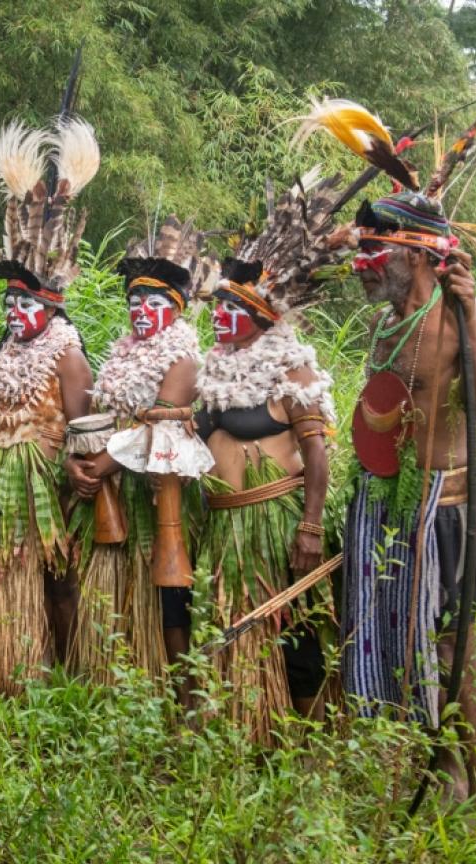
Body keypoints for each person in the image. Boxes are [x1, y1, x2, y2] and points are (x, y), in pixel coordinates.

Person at [340, 190, 476, 800]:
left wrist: (466, 327)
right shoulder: (385, 321)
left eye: (375, 253)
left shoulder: (467, 312)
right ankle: (438, 771)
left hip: (447, 508)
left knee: (450, 647)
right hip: (389, 504)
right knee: (407, 645)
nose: (364, 266)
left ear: (416, 254)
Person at [0, 116, 99, 696]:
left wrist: (74, 479)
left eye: (24, 303)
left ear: (50, 308)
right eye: (8, 301)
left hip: (50, 480)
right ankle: (11, 665)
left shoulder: (68, 352)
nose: (13, 312)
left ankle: (68, 666)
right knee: (6, 575)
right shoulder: (7, 346)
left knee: (59, 579)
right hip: (2, 478)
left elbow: (84, 424)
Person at [191, 174, 344, 745]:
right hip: (226, 524)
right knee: (233, 623)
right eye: (217, 307)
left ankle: (306, 735)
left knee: (294, 627)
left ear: (263, 316)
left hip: (277, 522)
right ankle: (248, 726)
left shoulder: (290, 369)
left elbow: (316, 451)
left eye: (230, 308)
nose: (217, 317)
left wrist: (310, 526)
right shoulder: (213, 368)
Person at [64, 219, 215, 694]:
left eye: (154, 304)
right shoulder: (121, 354)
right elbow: (93, 416)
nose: (142, 312)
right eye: (134, 303)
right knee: (111, 586)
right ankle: (118, 680)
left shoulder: (184, 358)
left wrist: (103, 463)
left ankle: (181, 693)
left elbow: (162, 428)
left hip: (156, 490)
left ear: (177, 310)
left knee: (167, 591)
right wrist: (77, 461)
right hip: (110, 488)